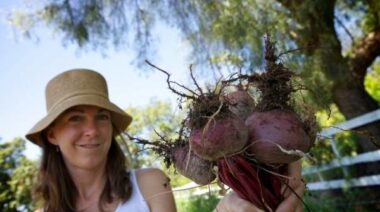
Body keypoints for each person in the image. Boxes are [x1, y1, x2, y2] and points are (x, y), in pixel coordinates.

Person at [26, 68, 305, 212]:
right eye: (75, 118)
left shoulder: (149, 184)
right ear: (52, 134)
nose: (92, 130)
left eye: (102, 117)